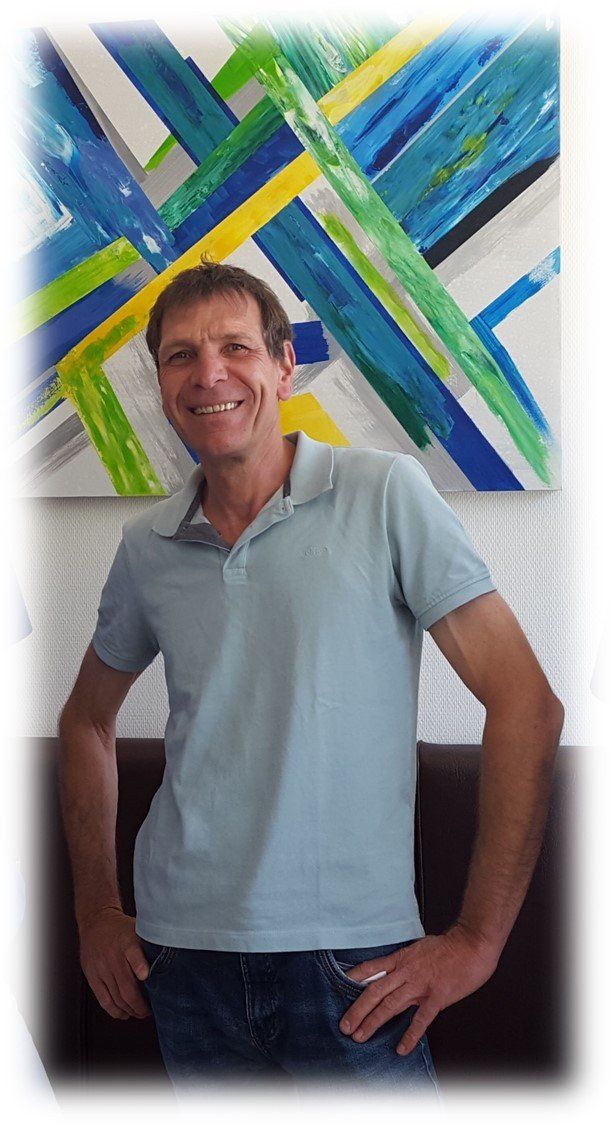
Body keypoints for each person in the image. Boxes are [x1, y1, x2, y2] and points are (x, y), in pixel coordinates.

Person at [58, 259, 565, 1094]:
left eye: (234, 346)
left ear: (284, 365)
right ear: (163, 386)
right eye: (181, 355)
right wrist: (95, 911)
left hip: (354, 962)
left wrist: (478, 938)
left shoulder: (385, 493)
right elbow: (85, 721)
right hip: (179, 956)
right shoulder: (146, 546)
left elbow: (526, 702)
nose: (208, 373)